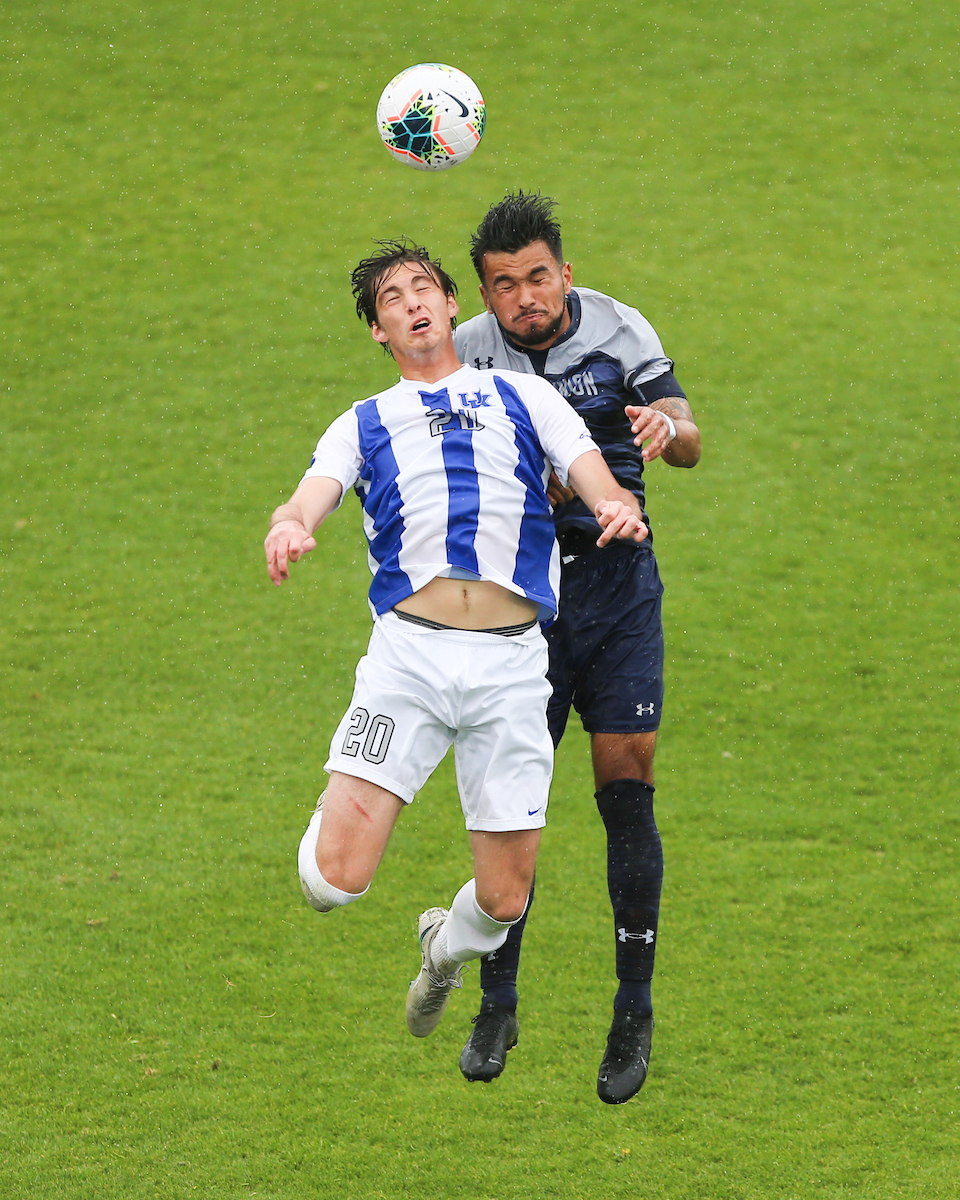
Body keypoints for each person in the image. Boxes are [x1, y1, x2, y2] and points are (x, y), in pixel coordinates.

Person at [263, 238, 648, 1046]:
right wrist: (292, 527)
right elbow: (309, 497)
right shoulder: (363, 422)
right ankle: (341, 794)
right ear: (379, 330)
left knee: (505, 902)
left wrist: (614, 505)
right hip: (411, 660)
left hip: (513, 667)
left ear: (448, 303)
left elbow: (592, 473)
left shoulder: (522, 399)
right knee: (332, 884)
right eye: (392, 300)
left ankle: (441, 955)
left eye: (421, 289)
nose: (411, 304)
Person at [453, 193, 702, 1103]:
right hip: (520, 602)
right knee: (509, 803)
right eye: (504, 284)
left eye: (538, 275)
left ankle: (632, 1011)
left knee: (624, 796)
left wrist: (665, 430)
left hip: (617, 589)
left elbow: (689, 438)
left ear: (565, 268)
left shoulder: (619, 329)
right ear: (485, 293)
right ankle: (497, 1001)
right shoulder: (468, 348)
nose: (525, 297)